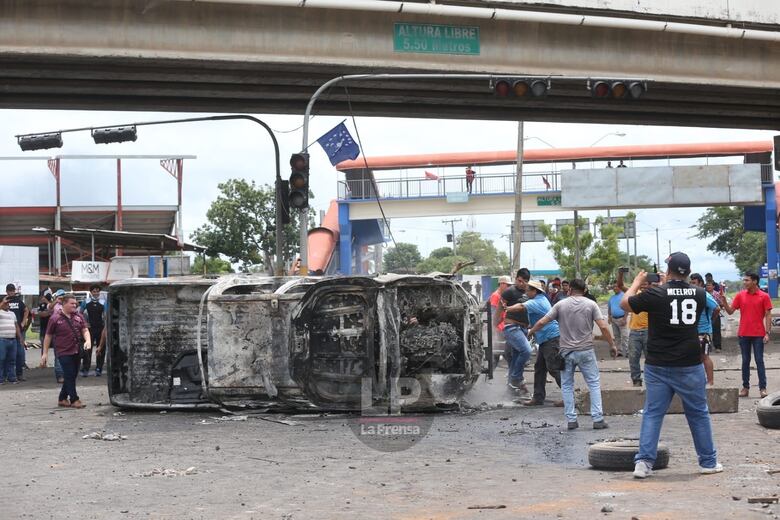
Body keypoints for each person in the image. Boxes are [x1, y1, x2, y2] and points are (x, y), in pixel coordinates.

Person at [622, 252, 722, 478]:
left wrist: (638, 283)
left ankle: (644, 463)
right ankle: (708, 462)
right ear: (687, 271)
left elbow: (624, 304)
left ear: (668, 271)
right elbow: (713, 307)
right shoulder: (698, 294)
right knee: (698, 413)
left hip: (657, 364)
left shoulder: (655, 293)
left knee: (653, 413)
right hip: (689, 363)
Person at [530, 279, 616, 429]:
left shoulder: (560, 305)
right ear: (584, 290)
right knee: (594, 384)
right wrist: (612, 345)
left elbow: (543, 321)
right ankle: (597, 419)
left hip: (566, 353)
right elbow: (603, 326)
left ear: (569, 289)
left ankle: (571, 420)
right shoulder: (591, 304)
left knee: (567, 385)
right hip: (586, 351)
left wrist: (531, 332)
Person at [508, 280, 562, 407]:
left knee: (553, 368)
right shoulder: (541, 299)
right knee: (540, 368)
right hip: (545, 339)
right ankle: (538, 398)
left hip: (550, 338)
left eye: (528, 290)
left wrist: (507, 308)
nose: (526, 292)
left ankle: (570, 396)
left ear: (534, 291)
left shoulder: (537, 301)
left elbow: (521, 307)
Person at [718, 272, 772, 398]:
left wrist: (767, 332)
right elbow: (730, 312)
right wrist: (724, 302)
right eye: (744, 280)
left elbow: (768, 315)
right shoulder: (740, 296)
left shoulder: (764, 296)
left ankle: (762, 388)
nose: (744, 282)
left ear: (755, 281)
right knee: (745, 361)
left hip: (759, 334)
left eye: (747, 280)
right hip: (744, 334)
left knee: (759, 361)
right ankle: (745, 387)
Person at [41, 294, 91, 408]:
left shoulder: (78, 316)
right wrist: (45, 353)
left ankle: (62, 398)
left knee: (72, 375)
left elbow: (85, 330)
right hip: (63, 351)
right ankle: (74, 399)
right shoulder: (55, 318)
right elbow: (48, 336)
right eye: (72, 303)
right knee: (69, 374)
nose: (75, 305)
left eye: (75, 303)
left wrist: (88, 340)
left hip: (77, 350)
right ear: (64, 304)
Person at [497, 268, 532, 393]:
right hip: (512, 327)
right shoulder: (509, 291)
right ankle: (515, 379)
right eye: (519, 281)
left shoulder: (529, 292)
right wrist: (495, 325)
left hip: (523, 329)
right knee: (527, 351)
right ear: (516, 279)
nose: (521, 284)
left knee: (515, 357)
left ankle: (511, 389)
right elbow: (500, 308)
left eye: (524, 282)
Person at [689, 273, 718, 385]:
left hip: (704, 331)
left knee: (704, 356)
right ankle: (699, 380)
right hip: (693, 331)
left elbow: (717, 308)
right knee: (696, 357)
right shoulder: (691, 294)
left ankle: (710, 382)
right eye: (690, 283)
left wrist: (711, 320)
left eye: (694, 283)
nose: (692, 285)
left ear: (701, 283)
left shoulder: (704, 295)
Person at [79, 284, 106, 377]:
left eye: (97, 291)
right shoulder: (86, 301)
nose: (96, 293)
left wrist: (105, 324)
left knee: (101, 348)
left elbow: (106, 314)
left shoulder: (103, 302)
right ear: (91, 292)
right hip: (90, 329)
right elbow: (79, 314)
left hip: (101, 328)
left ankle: (99, 368)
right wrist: (84, 323)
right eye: (94, 291)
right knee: (87, 348)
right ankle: (86, 368)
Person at [5, 283, 30, 381]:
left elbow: (26, 310)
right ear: (6, 291)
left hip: (19, 330)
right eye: (9, 290)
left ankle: (19, 374)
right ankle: (8, 375)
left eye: (12, 290)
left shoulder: (18, 301)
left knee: (20, 353)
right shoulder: (4, 301)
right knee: (7, 354)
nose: (11, 292)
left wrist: (23, 322)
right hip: (8, 330)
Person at [0, 296, 24, 384]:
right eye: (6, 303)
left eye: (8, 303)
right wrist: (2, 302)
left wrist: (20, 337)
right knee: (1, 359)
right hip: (2, 339)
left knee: (12, 360)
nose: (7, 305)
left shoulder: (12, 313)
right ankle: (1, 379)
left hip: (12, 339)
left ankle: (12, 378)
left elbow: (16, 326)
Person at [489, 276, 512, 366]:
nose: (509, 287)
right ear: (502, 284)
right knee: (504, 353)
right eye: (508, 285)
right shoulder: (496, 296)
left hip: (502, 327)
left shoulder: (502, 295)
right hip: (498, 328)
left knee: (500, 354)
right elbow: (493, 313)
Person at [608, 279, 629, 357]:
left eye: (616, 286)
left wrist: (625, 318)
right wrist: (609, 317)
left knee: (624, 336)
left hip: (621, 319)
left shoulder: (624, 295)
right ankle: (619, 351)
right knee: (616, 336)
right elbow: (609, 308)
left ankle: (627, 351)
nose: (614, 288)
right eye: (613, 287)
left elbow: (627, 308)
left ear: (619, 287)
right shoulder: (612, 297)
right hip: (614, 319)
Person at [705, 280, 723, 351]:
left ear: (713, 286)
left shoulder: (717, 294)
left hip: (715, 314)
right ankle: (707, 347)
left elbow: (721, 303)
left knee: (716, 331)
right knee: (707, 332)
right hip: (706, 315)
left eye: (709, 285)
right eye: (707, 285)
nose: (708, 287)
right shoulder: (703, 293)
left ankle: (718, 346)